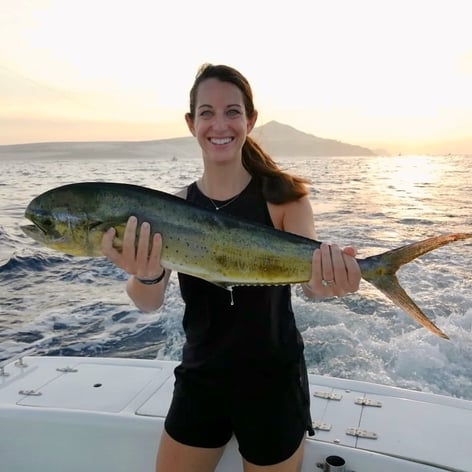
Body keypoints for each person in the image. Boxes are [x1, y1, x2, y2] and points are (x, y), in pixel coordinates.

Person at [102, 64, 361, 472]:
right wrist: (145, 272)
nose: (219, 124)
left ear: (250, 120)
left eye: (232, 111)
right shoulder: (174, 206)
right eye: (206, 112)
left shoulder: (285, 199)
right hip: (200, 378)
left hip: (273, 383)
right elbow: (147, 301)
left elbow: (310, 287)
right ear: (191, 124)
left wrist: (328, 283)